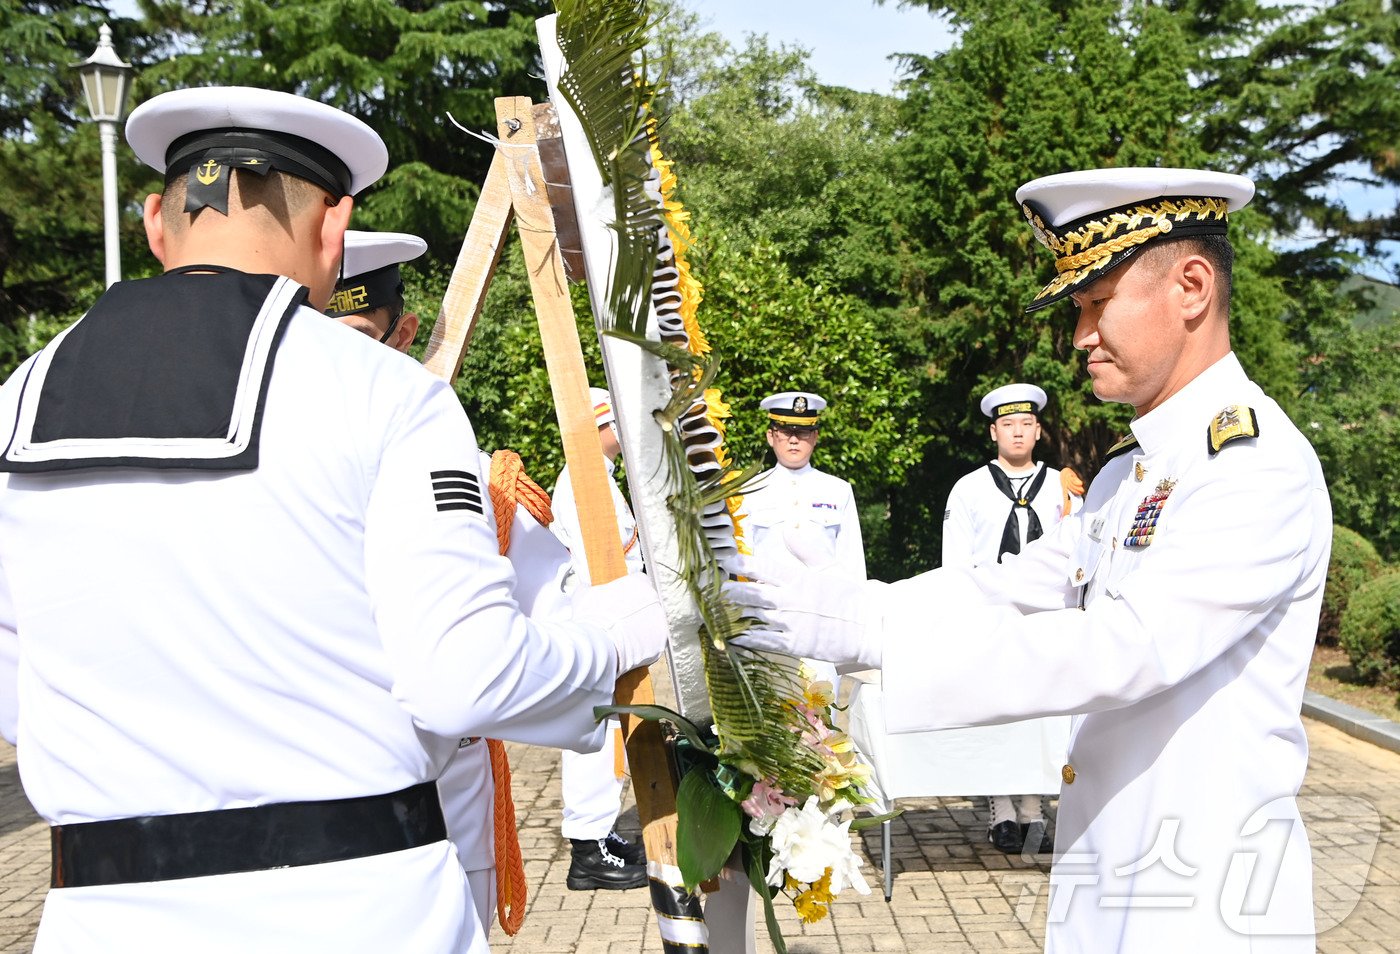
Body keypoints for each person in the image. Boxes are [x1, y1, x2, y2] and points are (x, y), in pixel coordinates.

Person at [0, 86, 665, 954]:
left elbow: (20, 701)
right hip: (358, 910)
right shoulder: (387, 395)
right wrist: (612, 642)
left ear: (159, 223)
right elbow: (464, 679)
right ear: (333, 226)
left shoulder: (14, 404)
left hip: (102, 920)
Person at [733, 167, 1331, 952]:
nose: (1081, 336)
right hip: (1111, 876)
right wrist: (825, 610)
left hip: (1206, 900)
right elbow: (1005, 589)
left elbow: (1126, 647)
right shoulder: (1132, 469)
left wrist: (883, 648)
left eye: (1095, 303)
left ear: (1191, 286)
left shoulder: (1252, 464)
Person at [327, 229, 573, 935]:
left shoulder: (462, 464)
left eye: (358, 337)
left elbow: (548, 611)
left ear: (403, 332)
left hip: (444, 793)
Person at [942, 382, 1080, 854]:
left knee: (1041, 711)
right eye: (1008, 425)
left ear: (1039, 431)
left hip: (1044, 617)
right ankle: (1001, 808)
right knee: (998, 712)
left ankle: (1033, 807)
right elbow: (955, 560)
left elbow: (1078, 551)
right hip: (991, 615)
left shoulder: (1063, 485)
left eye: (1026, 424)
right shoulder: (969, 489)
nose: (1017, 433)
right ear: (993, 432)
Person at [549, 387, 649, 890]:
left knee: (607, 740)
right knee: (595, 742)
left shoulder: (598, 480)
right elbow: (600, 569)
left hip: (608, 627)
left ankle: (600, 837)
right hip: (599, 627)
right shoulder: (585, 484)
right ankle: (588, 853)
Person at [741, 391, 864, 688]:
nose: (794, 439)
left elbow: (852, 562)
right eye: (785, 431)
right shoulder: (749, 488)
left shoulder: (837, 490)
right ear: (771, 436)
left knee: (823, 717)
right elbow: (741, 558)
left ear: (816, 437)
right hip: (770, 619)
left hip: (821, 619)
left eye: (804, 431)